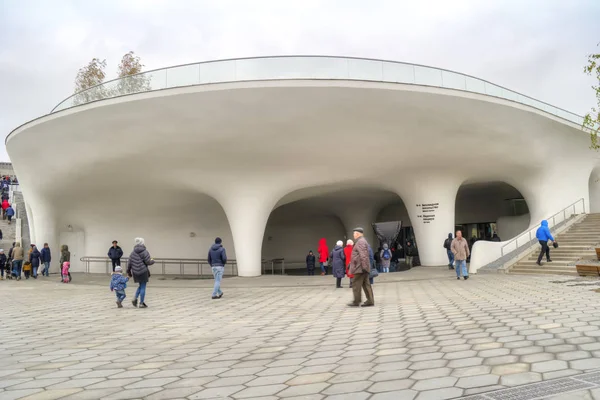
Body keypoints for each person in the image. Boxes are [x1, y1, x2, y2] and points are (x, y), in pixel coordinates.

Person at [347, 227, 375, 307]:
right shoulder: (362, 241)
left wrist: (364, 267)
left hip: (360, 267)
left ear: (357, 234)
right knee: (366, 284)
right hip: (362, 266)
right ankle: (370, 300)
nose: (353, 235)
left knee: (355, 284)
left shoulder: (360, 242)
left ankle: (356, 301)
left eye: (354, 234)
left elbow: (363, 255)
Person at [127, 238, 154, 308]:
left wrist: (128, 272)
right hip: (143, 271)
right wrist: (153, 260)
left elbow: (129, 263)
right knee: (143, 286)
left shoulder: (132, 252)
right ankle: (141, 303)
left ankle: (135, 298)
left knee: (140, 285)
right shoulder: (145, 251)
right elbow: (148, 262)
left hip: (135, 272)